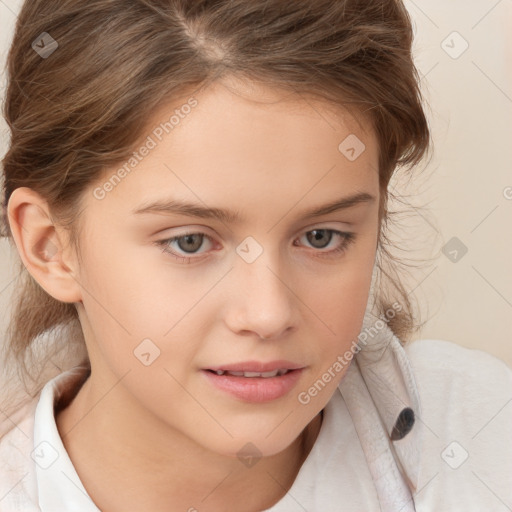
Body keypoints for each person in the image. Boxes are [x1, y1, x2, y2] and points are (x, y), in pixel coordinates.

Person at [0, 1, 510, 511]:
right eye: (190, 242)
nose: (269, 314)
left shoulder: (481, 435)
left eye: (321, 237)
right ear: (50, 247)